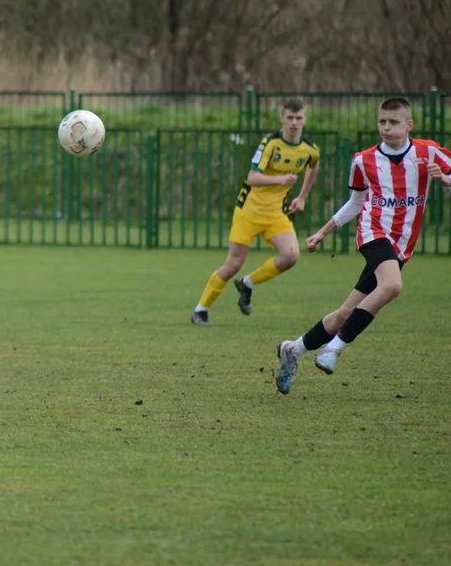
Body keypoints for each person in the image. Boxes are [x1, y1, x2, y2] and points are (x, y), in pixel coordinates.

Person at [275, 97, 451, 394]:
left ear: (409, 125)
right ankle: (333, 349)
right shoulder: (363, 160)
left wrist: (445, 180)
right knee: (392, 286)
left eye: (393, 122)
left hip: (400, 246)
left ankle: (293, 350)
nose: (386, 127)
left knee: (345, 313)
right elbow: (356, 203)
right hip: (373, 233)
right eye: (382, 121)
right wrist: (324, 232)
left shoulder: (429, 152)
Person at [191, 97, 321, 325]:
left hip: (275, 215)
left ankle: (247, 284)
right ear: (281, 119)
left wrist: (302, 197)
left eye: (298, 118)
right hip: (249, 211)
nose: (293, 123)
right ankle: (200, 310)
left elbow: (314, 165)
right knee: (233, 264)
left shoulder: (309, 150)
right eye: (289, 118)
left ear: (305, 120)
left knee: (291, 256)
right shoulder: (271, 143)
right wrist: (281, 179)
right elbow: (252, 178)